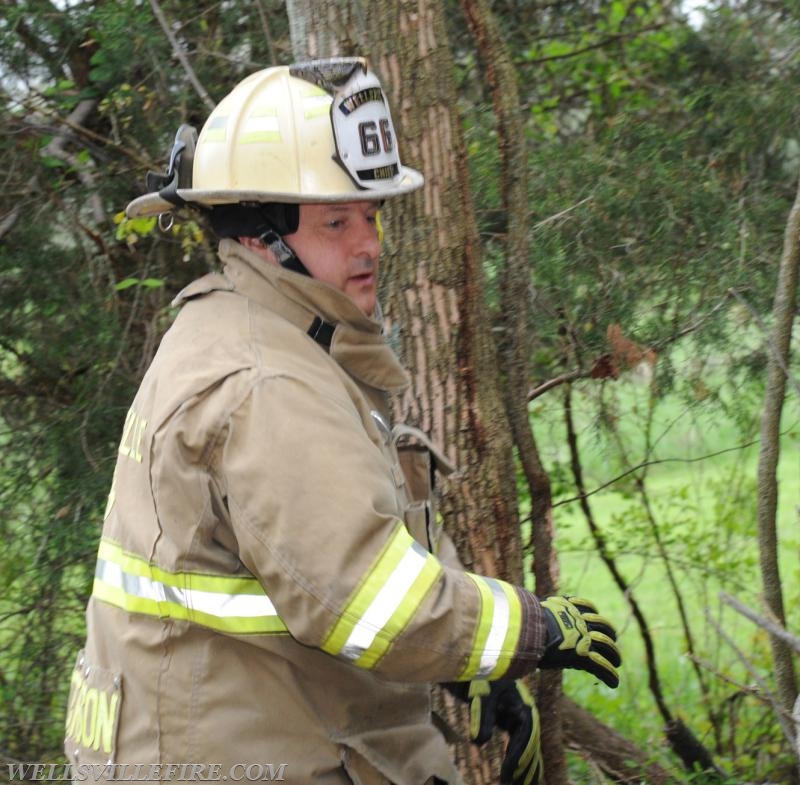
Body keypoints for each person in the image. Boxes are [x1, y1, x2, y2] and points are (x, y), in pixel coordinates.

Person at [64, 58, 621, 785]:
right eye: (336, 221)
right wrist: (529, 630)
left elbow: (308, 561)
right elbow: (368, 599)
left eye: (372, 214)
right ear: (262, 235)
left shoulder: (245, 334)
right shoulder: (267, 382)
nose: (370, 244)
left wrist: (470, 670)